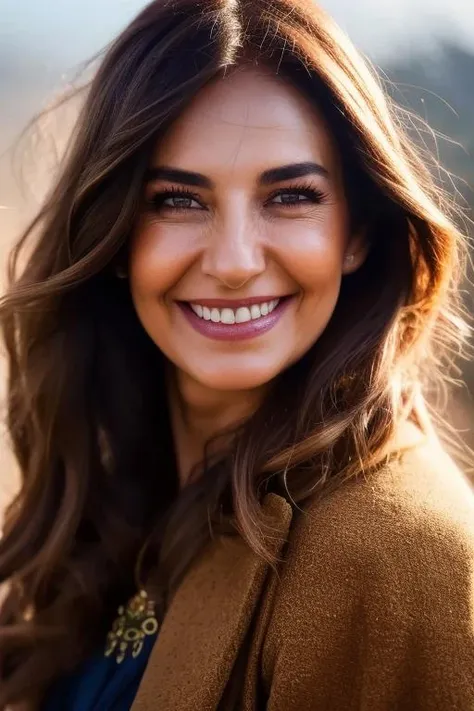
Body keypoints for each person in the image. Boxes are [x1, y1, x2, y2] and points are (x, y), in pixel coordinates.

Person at [0, 0, 473, 708]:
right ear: (116, 234)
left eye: (289, 196)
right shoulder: (128, 488)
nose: (233, 262)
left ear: (357, 232)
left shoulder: (398, 556)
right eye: (177, 201)